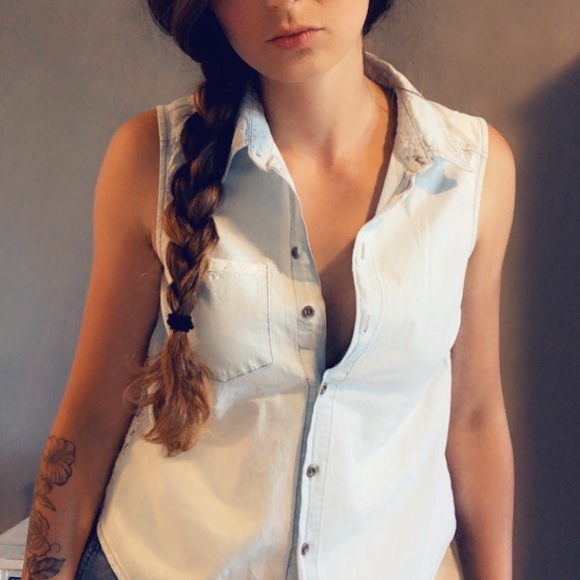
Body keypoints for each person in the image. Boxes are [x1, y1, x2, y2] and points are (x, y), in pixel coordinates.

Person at [23, 0, 515, 578]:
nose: (285, 4)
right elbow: (90, 420)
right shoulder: (150, 159)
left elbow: (474, 417)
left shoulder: (470, 171)